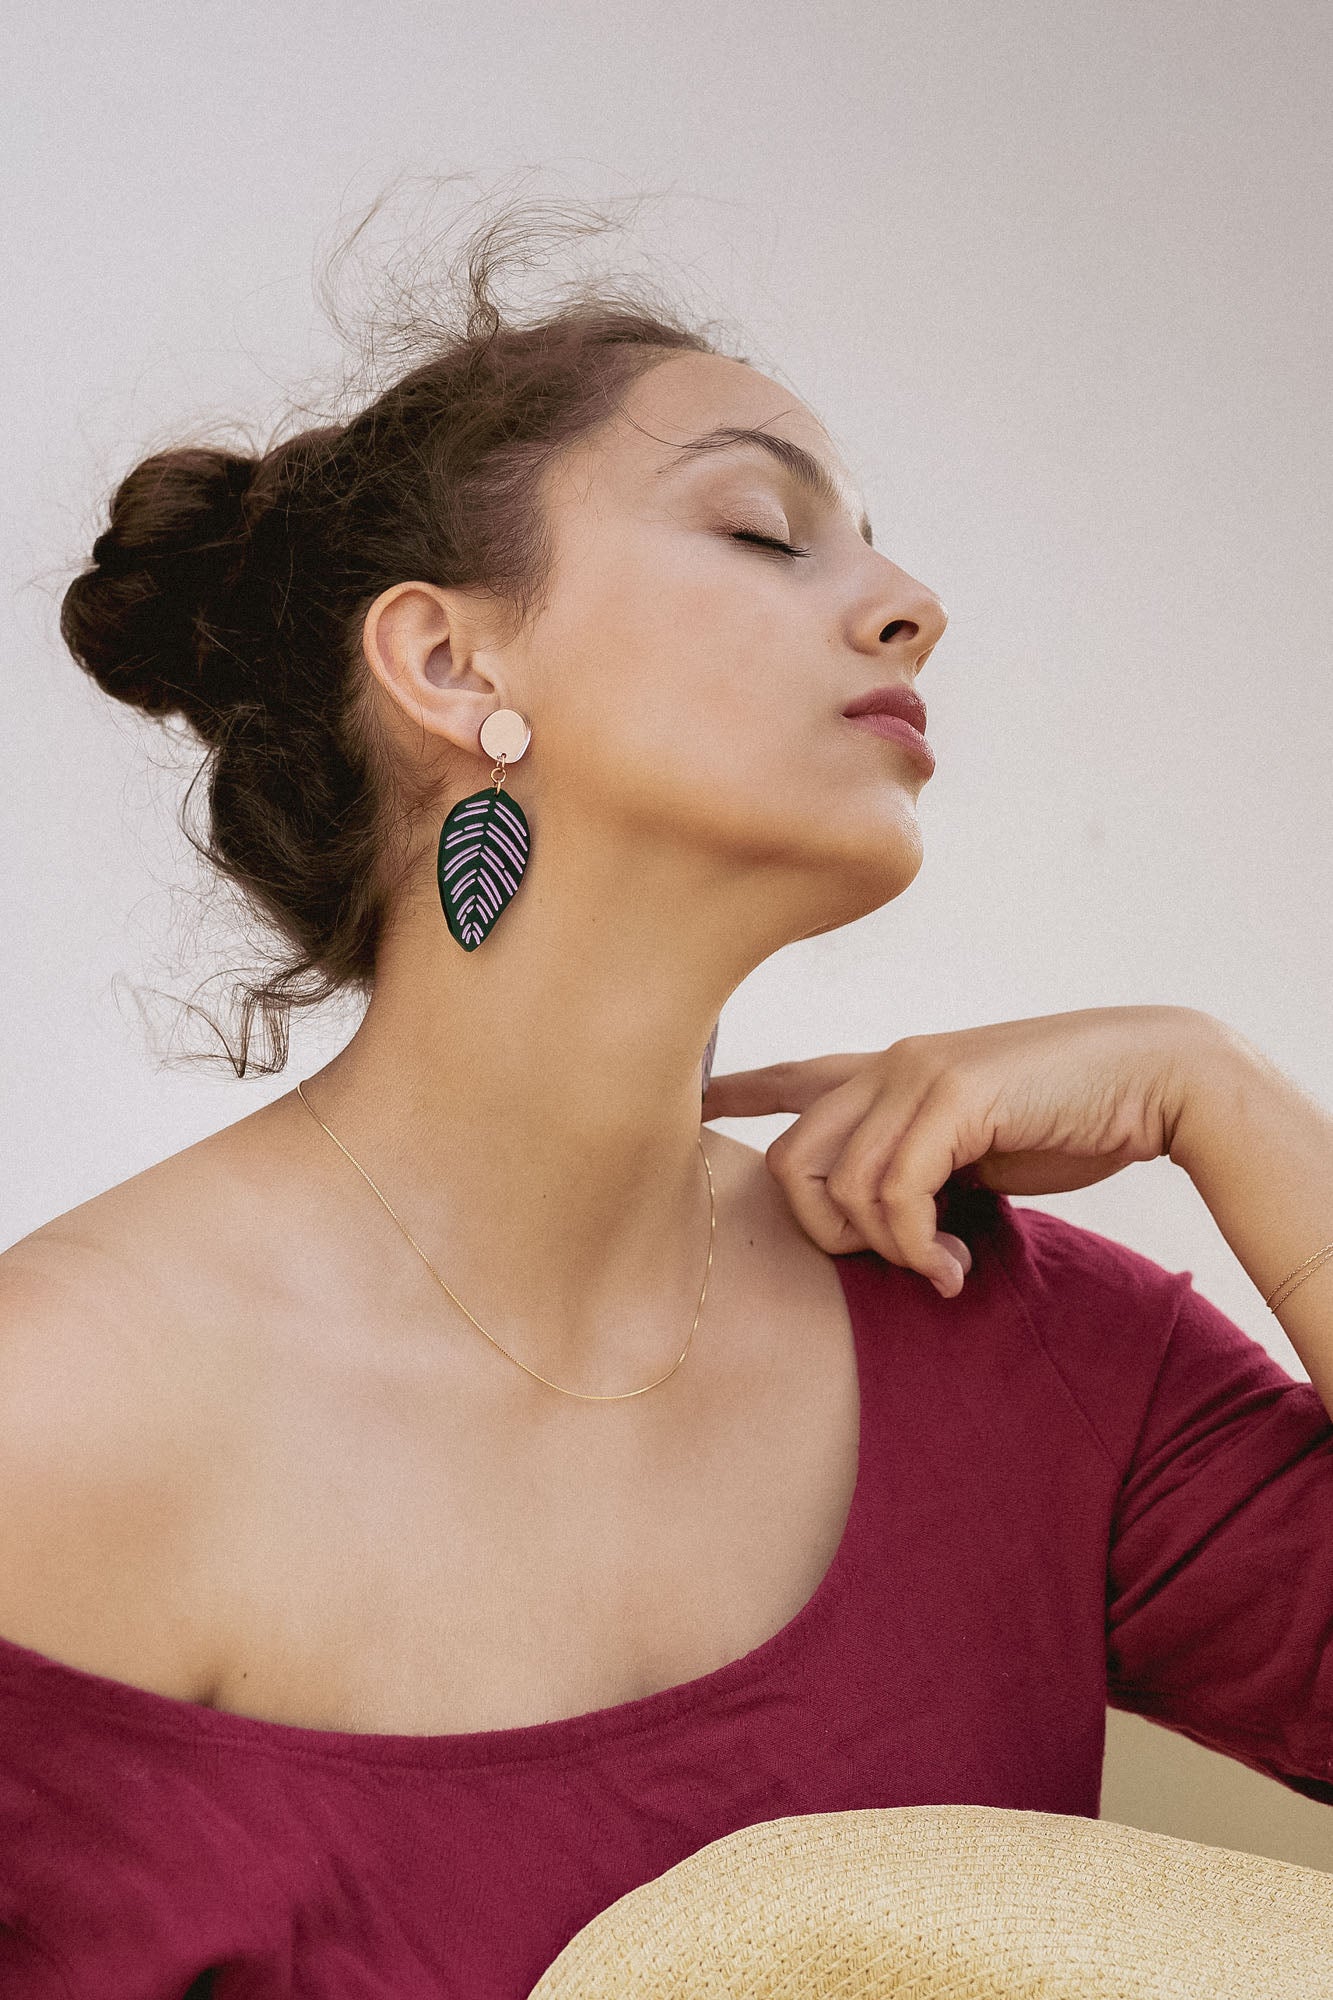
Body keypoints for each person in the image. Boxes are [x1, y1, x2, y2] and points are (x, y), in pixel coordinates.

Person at [1, 199, 1329, 1999]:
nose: (910, 606)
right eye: (763, 529)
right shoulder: (54, 1418)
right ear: (453, 664)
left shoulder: (1013, 1337)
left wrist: (1226, 1096)